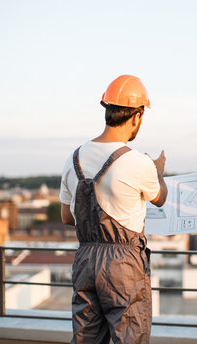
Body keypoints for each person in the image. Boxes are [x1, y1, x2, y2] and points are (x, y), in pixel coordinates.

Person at [60, 74, 167, 344]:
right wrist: (158, 170)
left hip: (85, 259)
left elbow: (66, 217)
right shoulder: (137, 162)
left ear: (107, 111)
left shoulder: (73, 158)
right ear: (137, 116)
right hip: (123, 265)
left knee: (86, 339)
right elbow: (160, 198)